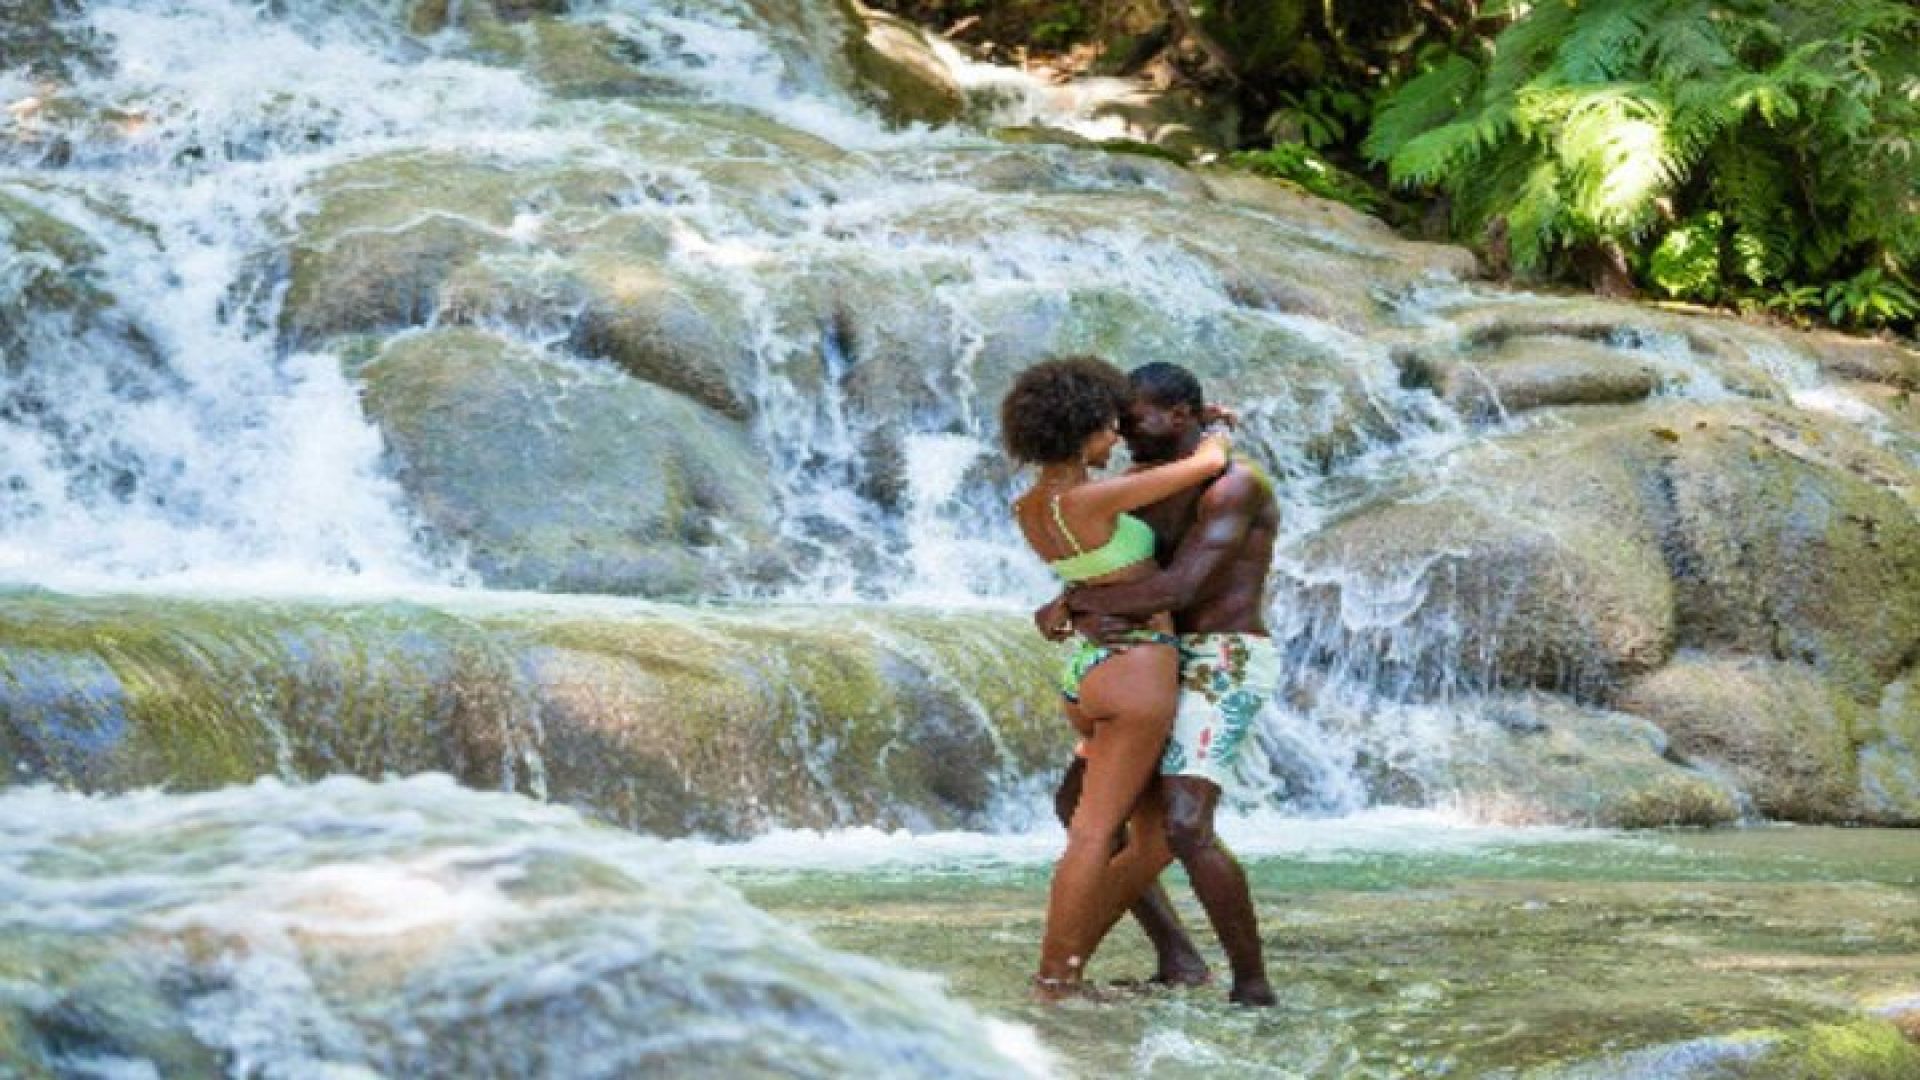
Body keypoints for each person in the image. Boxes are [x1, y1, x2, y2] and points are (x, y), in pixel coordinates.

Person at [1039, 361, 1281, 1007]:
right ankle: (1178, 956)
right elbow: (1128, 568)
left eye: (1133, 416)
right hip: (1157, 649)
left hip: (1223, 655)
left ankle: (1253, 989)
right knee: (1077, 806)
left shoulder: (1235, 484)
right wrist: (1074, 596)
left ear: (1179, 416)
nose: (1119, 429)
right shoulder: (1145, 479)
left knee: (1183, 824)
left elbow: (1184, 586)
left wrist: (1081, 607)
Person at [1000, 355, 1233, 1000]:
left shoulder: (1032, 507)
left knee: (1154, 837)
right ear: (1080, 433)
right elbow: (1205, 466)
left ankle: (1100, 958)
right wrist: (1214, 431)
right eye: (1108, 426)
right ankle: (1057, 978)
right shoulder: (1096, 497)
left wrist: (1069, 607)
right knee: (1096, 832)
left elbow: (1090, 571)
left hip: (1092, 674)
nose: (1119, 437)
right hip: (1138, 671)